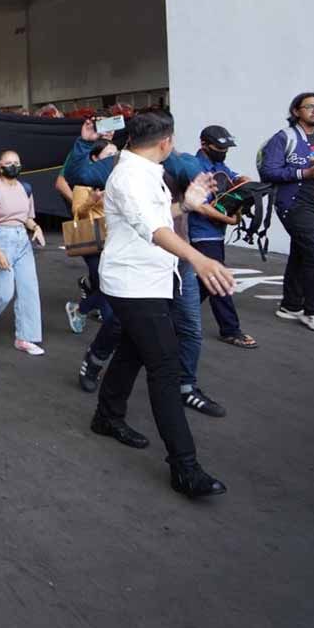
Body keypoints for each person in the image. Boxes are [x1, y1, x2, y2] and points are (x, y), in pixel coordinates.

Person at [90, 109, 234, 499]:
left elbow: (154, 217)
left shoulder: (144, 171)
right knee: (165, 366)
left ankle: (107, 416)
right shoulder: (131, 175)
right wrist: (200, 258)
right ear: (166, 142)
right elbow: (152, 229)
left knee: (133, 351)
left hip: (152, 279)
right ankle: (184, 467)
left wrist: (185, 205)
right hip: (133, 283)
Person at [66, 118, 228, 418]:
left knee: (188, 326)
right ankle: (96, 359)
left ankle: (186, 387)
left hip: (175, 258)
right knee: (121, 326)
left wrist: (215, 200)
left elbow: (202, 188)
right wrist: (85, 142)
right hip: (138, 264)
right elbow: (77, 174)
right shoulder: (121, 168)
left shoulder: (178, 162)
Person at [258, 92, 314, 333]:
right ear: (296, 111)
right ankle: (313, 311)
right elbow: (269, 170)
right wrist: (304, 173)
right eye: (310, 106)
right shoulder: (284, 138)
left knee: (301, 254)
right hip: (293, 204)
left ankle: (290, 306)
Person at [189, 125, 257, 348]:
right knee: (218, 279)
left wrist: (243, 181)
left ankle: (172, 315)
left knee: (203, 281)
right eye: (219, 147)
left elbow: (233, 179)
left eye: (226, 147)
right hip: (201, 233)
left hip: (215, 233)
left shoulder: (219, 165)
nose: (223, 151)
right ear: (204, 144)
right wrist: (228, 219)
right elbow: (197, 204)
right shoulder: (193, 166)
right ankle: (230, 329)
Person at [0, 149, 47, 355]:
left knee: (29, 290)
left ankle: (26, 337)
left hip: (22, 240)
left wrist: (36, 227)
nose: (13, 166)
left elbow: (26, 217)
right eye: (8, 163)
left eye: (16, 162)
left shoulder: (26, 188)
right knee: (2, 294)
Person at [64, 140, 117, 333]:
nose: (113, 158)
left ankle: (82, 309)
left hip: (113, 238)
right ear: (95, 158)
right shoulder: (85, 182)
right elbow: (78, 212)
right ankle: (90, 312)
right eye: (108, 154)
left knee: (108, 283)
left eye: (115, 154)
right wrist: (91, 201)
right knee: (106, 285)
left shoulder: (115, 180)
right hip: (93, 240)